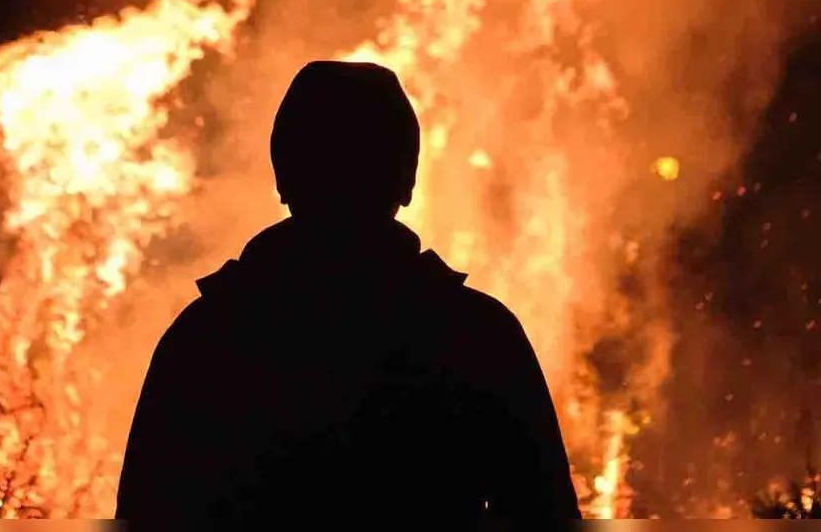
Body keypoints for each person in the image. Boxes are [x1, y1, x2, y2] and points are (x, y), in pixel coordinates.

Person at [116, 61, 582, 528]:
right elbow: (545, 514)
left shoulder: (207, 336)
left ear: (283, 178)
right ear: (407, 180)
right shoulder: (477, 335)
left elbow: (146, 515)